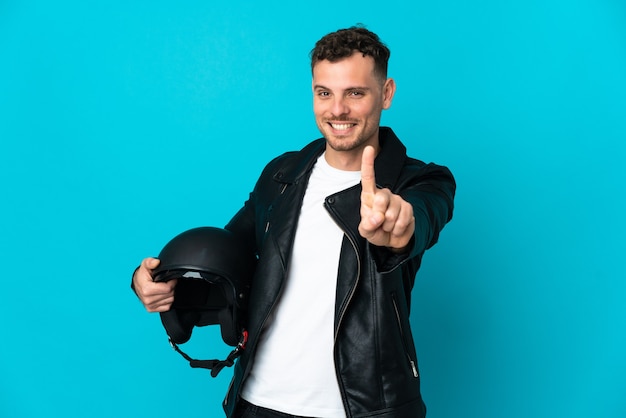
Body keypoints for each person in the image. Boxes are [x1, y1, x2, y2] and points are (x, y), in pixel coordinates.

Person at [132, 26, 456, 418]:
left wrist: (400, 228)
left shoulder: (419, 181)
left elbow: (419, 219)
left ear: (386, 93)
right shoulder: (282, 175)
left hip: (363, 409)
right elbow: (227, 266)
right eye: (324, 93)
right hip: (258, 403)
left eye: (355, 93)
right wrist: (157, 282)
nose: (337, 109)